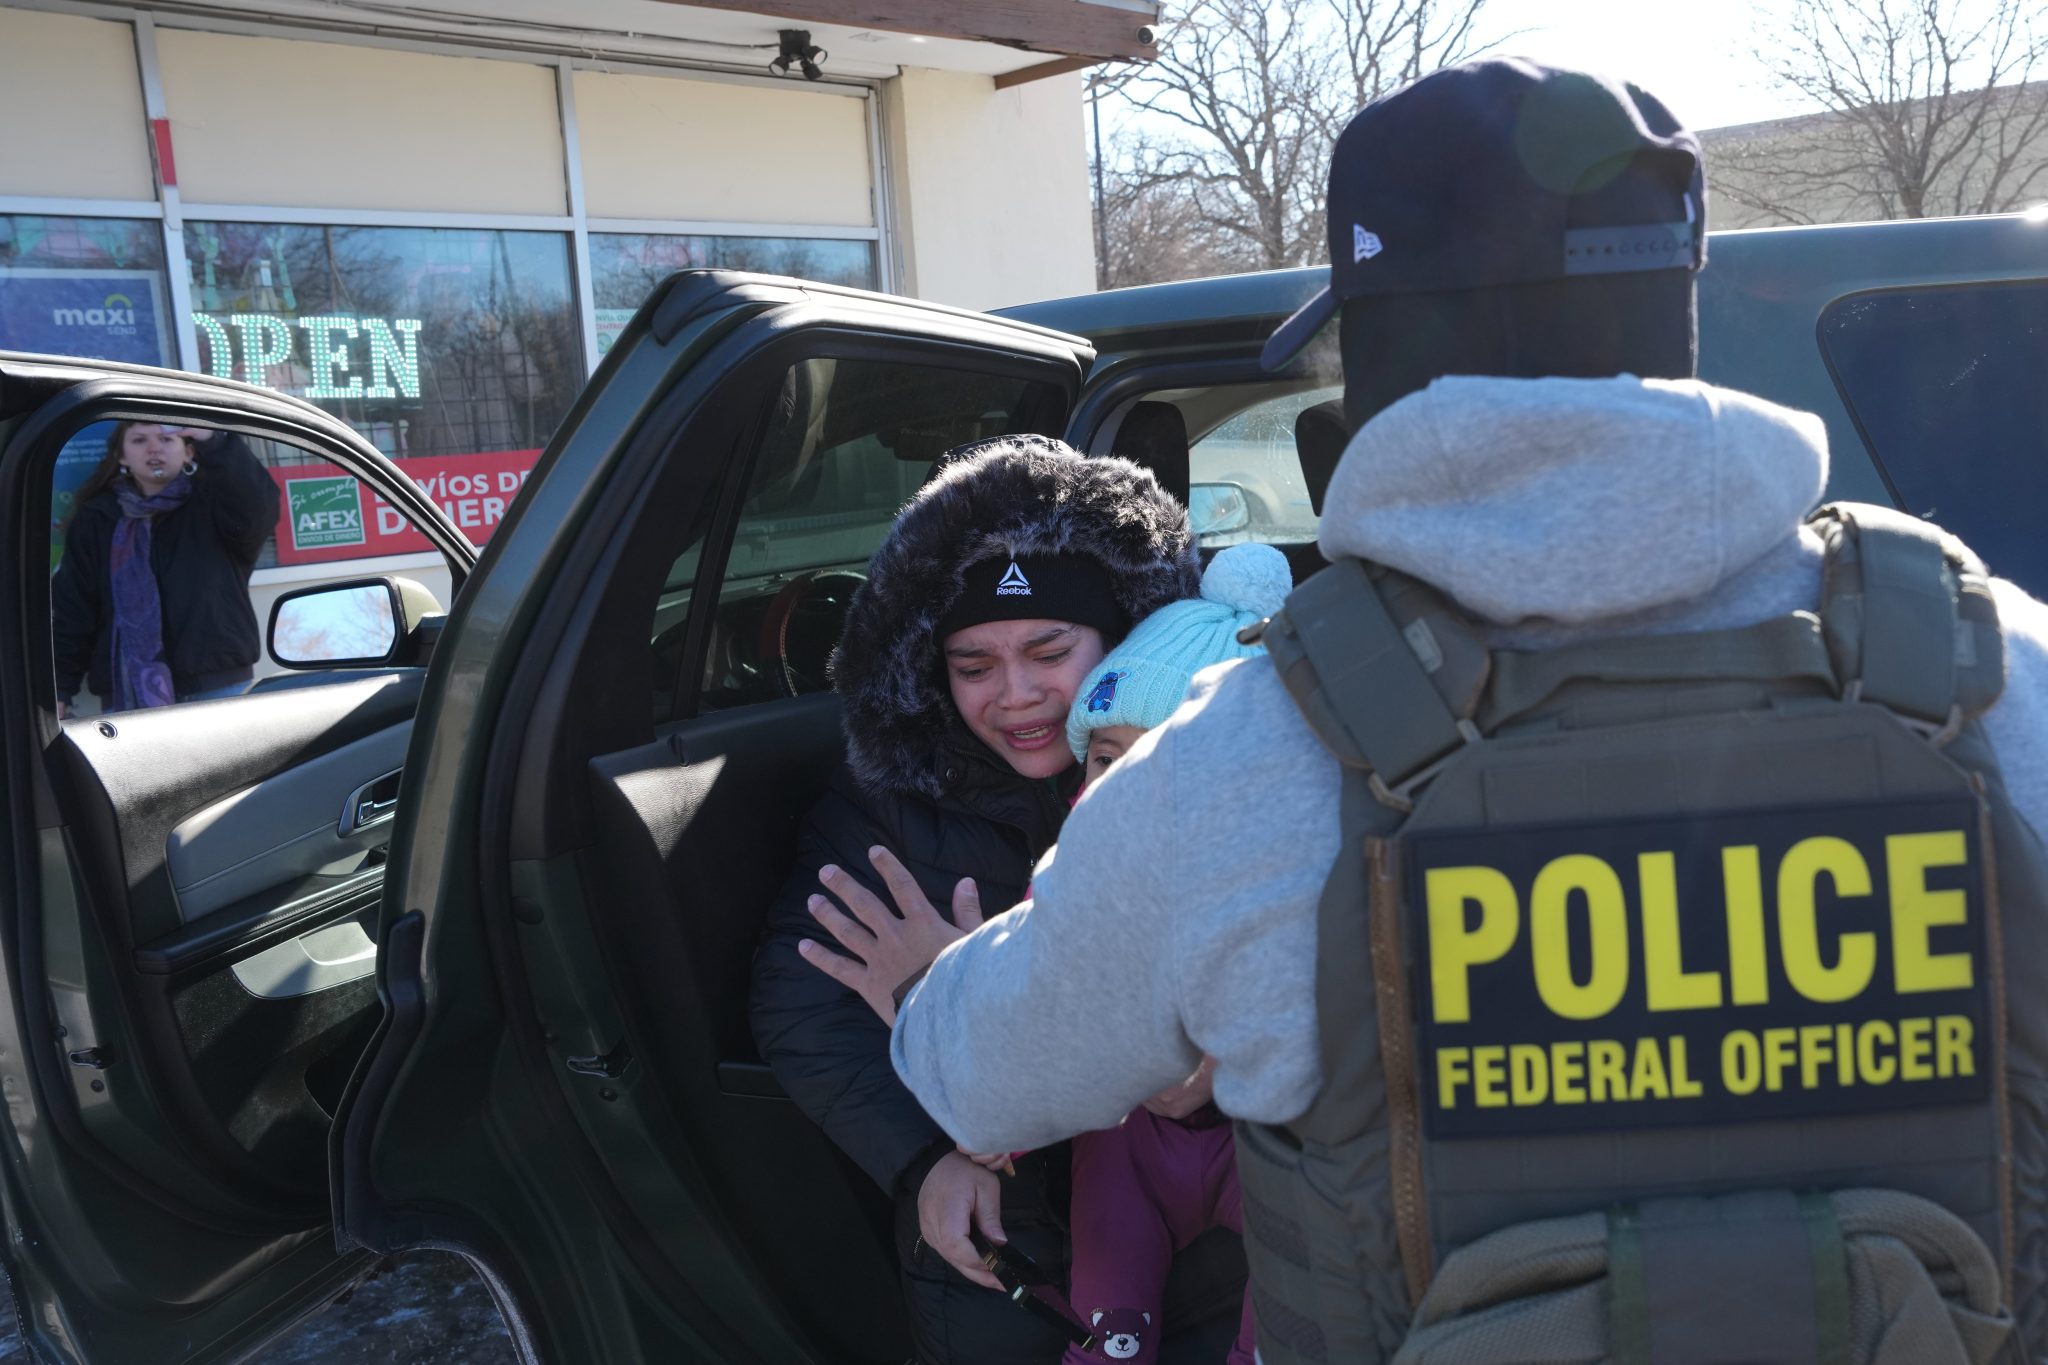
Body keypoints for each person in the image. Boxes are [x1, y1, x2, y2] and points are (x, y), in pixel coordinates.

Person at [865, 59, 2048, 1362]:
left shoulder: (1254, 749)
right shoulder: (1987, 667)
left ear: (1376, 347)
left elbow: (974, 1072)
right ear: (1674, 312)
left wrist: (944, 974)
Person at [747, 434, 1206, 1365]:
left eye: (1049, 649)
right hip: (1007, 1238)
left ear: (1114, 636)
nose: (1018, 695)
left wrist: (950, 991)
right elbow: (800, 1001)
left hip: (1205, 1218)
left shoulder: (1202, 763)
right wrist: (922, 1158)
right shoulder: (888, 810)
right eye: (973, 666)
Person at [807, 542, 1290, 1365]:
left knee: (1291, 1298)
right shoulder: (1068, 877)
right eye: (1102, 758)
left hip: (1261, 1145)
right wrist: (972, 1120)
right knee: (1111, 1300)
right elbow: (1034, 1008)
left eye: (1153, 762)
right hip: (1125, 1153)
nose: (1114, 788)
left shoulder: (1277, 868)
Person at [52, 421, 281, 713]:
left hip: (218, 689)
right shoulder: (97, 519)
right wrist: (60, 687)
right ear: (121, 457)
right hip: (128, 694)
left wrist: (214, 440)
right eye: (139, 440)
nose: (153, 448)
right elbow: (74, 609)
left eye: (165, 439)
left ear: (188, 453)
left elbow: (260, 505)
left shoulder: (215, 506)